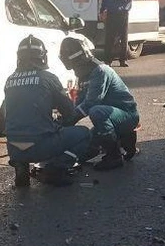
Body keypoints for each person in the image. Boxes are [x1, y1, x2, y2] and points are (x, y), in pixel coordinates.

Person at [3, 35, 93, 187]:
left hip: (13, 147)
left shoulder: (9, 80)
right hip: (40, 145)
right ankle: (56, 168)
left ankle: (21, 165)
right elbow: (69, 113)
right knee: (84, 134)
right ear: (43, 57)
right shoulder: (48, 78)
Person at [59, 36, 139, 171]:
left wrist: (69, 120)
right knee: (84, 151)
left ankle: (114, 156)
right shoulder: (83, 76)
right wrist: (65, 118)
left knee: (96, 111)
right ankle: (123, 138)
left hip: (127, 116)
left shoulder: (100, 71)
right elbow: (78, 104)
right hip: (110, 117)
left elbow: (90, 103)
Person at [99, 0, 135, 67]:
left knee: (124, 38)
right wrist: (102, 11)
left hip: (123, 13)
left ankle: (123, 60)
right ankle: (107, 61)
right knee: (109, 37)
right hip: (111, 12)